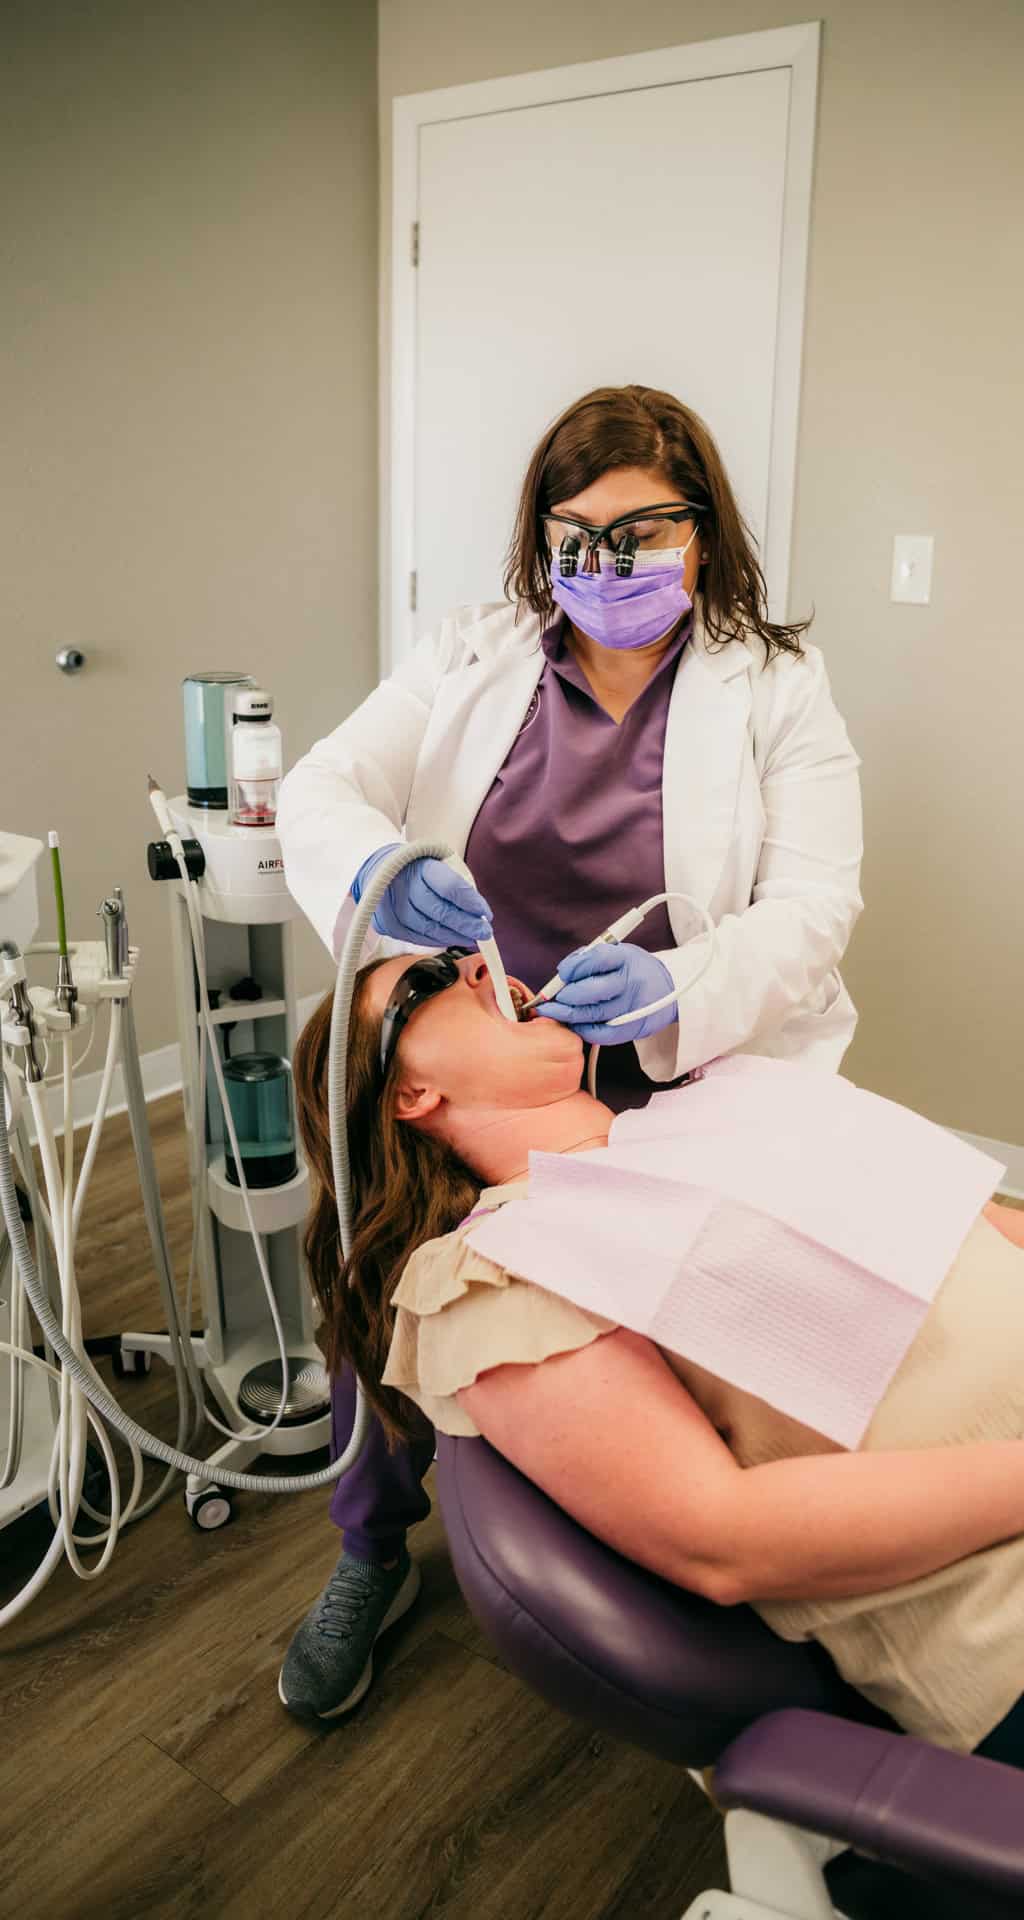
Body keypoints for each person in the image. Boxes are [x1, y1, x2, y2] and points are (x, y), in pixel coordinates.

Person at [290, 950, 1024, 1842]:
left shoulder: (713, 1111)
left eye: (471, 953)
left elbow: (983, 1224)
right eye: (425, 984)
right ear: (408, 1093)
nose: (477, 961)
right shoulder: (496, 1271)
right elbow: (716, 1535)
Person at [273, 385, 864, 1720]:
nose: (602, 567)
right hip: (482, 1061)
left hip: (672, 1062)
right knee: (380, 1281)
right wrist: (377, 868)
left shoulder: (775, 688)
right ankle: (371, 1548)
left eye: (639, 532)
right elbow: (318, 788)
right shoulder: (472, 655)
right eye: (572, 535)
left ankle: (698, 1562)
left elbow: (814, 912)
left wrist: (674, 986)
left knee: (643, 1346)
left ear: (701, 532)